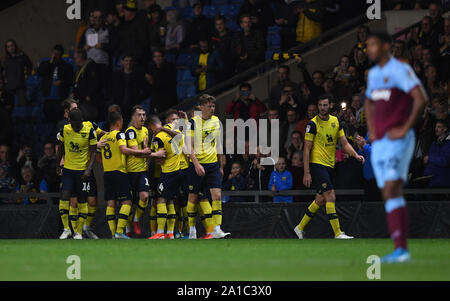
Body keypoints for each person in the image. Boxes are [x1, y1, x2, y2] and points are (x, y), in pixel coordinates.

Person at [364, 32, 427, 263]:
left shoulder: (400, 69)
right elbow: (369, 102)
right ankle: (400, 249)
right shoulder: (372, 75)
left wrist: (404, 128)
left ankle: (402, 250)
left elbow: (420, 98)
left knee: (391, 188)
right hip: (380, 143)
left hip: (399, 140)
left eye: (373, 44)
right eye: (367, 45)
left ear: (386, 46)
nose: (369, 49)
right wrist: (371, 130)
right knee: (389, 193)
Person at [294, 94, 364, 240]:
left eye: (325, 105)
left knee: (320, 199)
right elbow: (306, 149)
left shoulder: (336, 121)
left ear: (330, 105)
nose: (322, 108)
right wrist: (306, 172)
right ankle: (338, 233)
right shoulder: (312, 125)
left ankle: (299, 228)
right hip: (317, 164)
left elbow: (344, 143)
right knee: (330, 196)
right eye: (320, 105)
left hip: (330, 164)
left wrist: (356, 155)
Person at [98, 111, 153, 239]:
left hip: (107, 173)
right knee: (127, 202)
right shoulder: (120, 134)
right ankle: (119, 232)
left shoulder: (103, 138)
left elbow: (97, 152)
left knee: (111, 203)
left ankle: (113, 234)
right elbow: (123, 149)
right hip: (120, 172)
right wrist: (142, 151)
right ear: (119, 122)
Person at [186, 94, 230, 239]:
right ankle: (191, 229)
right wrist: (197, 164)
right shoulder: (193, 122)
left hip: (212, 165)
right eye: (209, 106)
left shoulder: (216, 121)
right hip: (196, 165)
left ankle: (217, 228)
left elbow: (218, 144)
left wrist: (221, 165)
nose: (212, 109)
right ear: (201, 107)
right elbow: (189, 146)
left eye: (213, 106)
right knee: (192, 199)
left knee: (217, 196)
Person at [56, 109, 98, 240]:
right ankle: (66, 229)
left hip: (82, 172)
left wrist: (88, 169)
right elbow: (61, 148)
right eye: (74, 124)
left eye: (78, 124)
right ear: (70, 121)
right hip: (68, 170)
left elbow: (93, 152)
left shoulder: (89, 131)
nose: (76, 127)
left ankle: (78, 232)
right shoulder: (65, 130)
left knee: (82, 200)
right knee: (65, 195)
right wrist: (58, 164)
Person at [147, 114, 185, 239]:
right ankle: (170, 233)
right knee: (171, 200)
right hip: (179, 170)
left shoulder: (158, 138)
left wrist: (152, 153)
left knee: (161, 200)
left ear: (153, 126)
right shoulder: (173, 128)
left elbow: (160, 159)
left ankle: (159, 232)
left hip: (168, 172)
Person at [125, 106, 151, 237]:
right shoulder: (130, 131)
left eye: (144, 115)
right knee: (128, 202)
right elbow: (137, 152)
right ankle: (127, 228)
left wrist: (147, 151)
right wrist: (149, 152)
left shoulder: (146, 130)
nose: (142, 117)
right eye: (139, 115)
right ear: (133, 117)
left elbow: (146, 150)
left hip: (141, 171)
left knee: (145, 197)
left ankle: (136, 220)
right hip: (130, 171)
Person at [37, 45, 74, 122]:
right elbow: (40, 72)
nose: (55, 56)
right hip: (48, 97)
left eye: (57, 54)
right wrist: (50, 62)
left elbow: (71, 80)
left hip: (60, 98)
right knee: (48, 118)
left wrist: (62, 82)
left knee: (59, 118)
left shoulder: (66, 66)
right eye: (54, 53)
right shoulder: (46, 64)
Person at [72, 49, 102, 121]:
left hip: (89, 101)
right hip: (81, 99)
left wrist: (88, 95)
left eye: (75, 58)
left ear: (80, 58)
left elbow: (95, 83)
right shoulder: (81, 68)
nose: (74, 60)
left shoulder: (91, 66)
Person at [145, 49, 177, 114]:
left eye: (159, 56)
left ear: (163, 57)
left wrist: (153, 81)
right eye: (155, 56)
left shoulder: (170, 67)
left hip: (168, 99)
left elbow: (170, 83)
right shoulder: (151, 67)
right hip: (155, 100)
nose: (157, 58)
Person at [1, 39, 32, 106]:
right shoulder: (5, 58)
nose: (10, 48)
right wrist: (4, 80)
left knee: (22, 108)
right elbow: (2, 71)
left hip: (20, 86)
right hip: (8, 88)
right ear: (6, 48)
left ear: (15, 46)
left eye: (12, 45)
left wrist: (27, 74)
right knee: (9, 110)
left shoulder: (22, 56)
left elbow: (29, 65)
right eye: (8, 47)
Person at [424, 120, 450, 188]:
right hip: (430, 179)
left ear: (445, 129)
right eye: (436, 126)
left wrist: (429, 159)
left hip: (442, 181)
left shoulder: (448, 143)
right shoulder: (434, 144)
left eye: (439, 127)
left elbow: (445, 161)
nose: (436, 129)